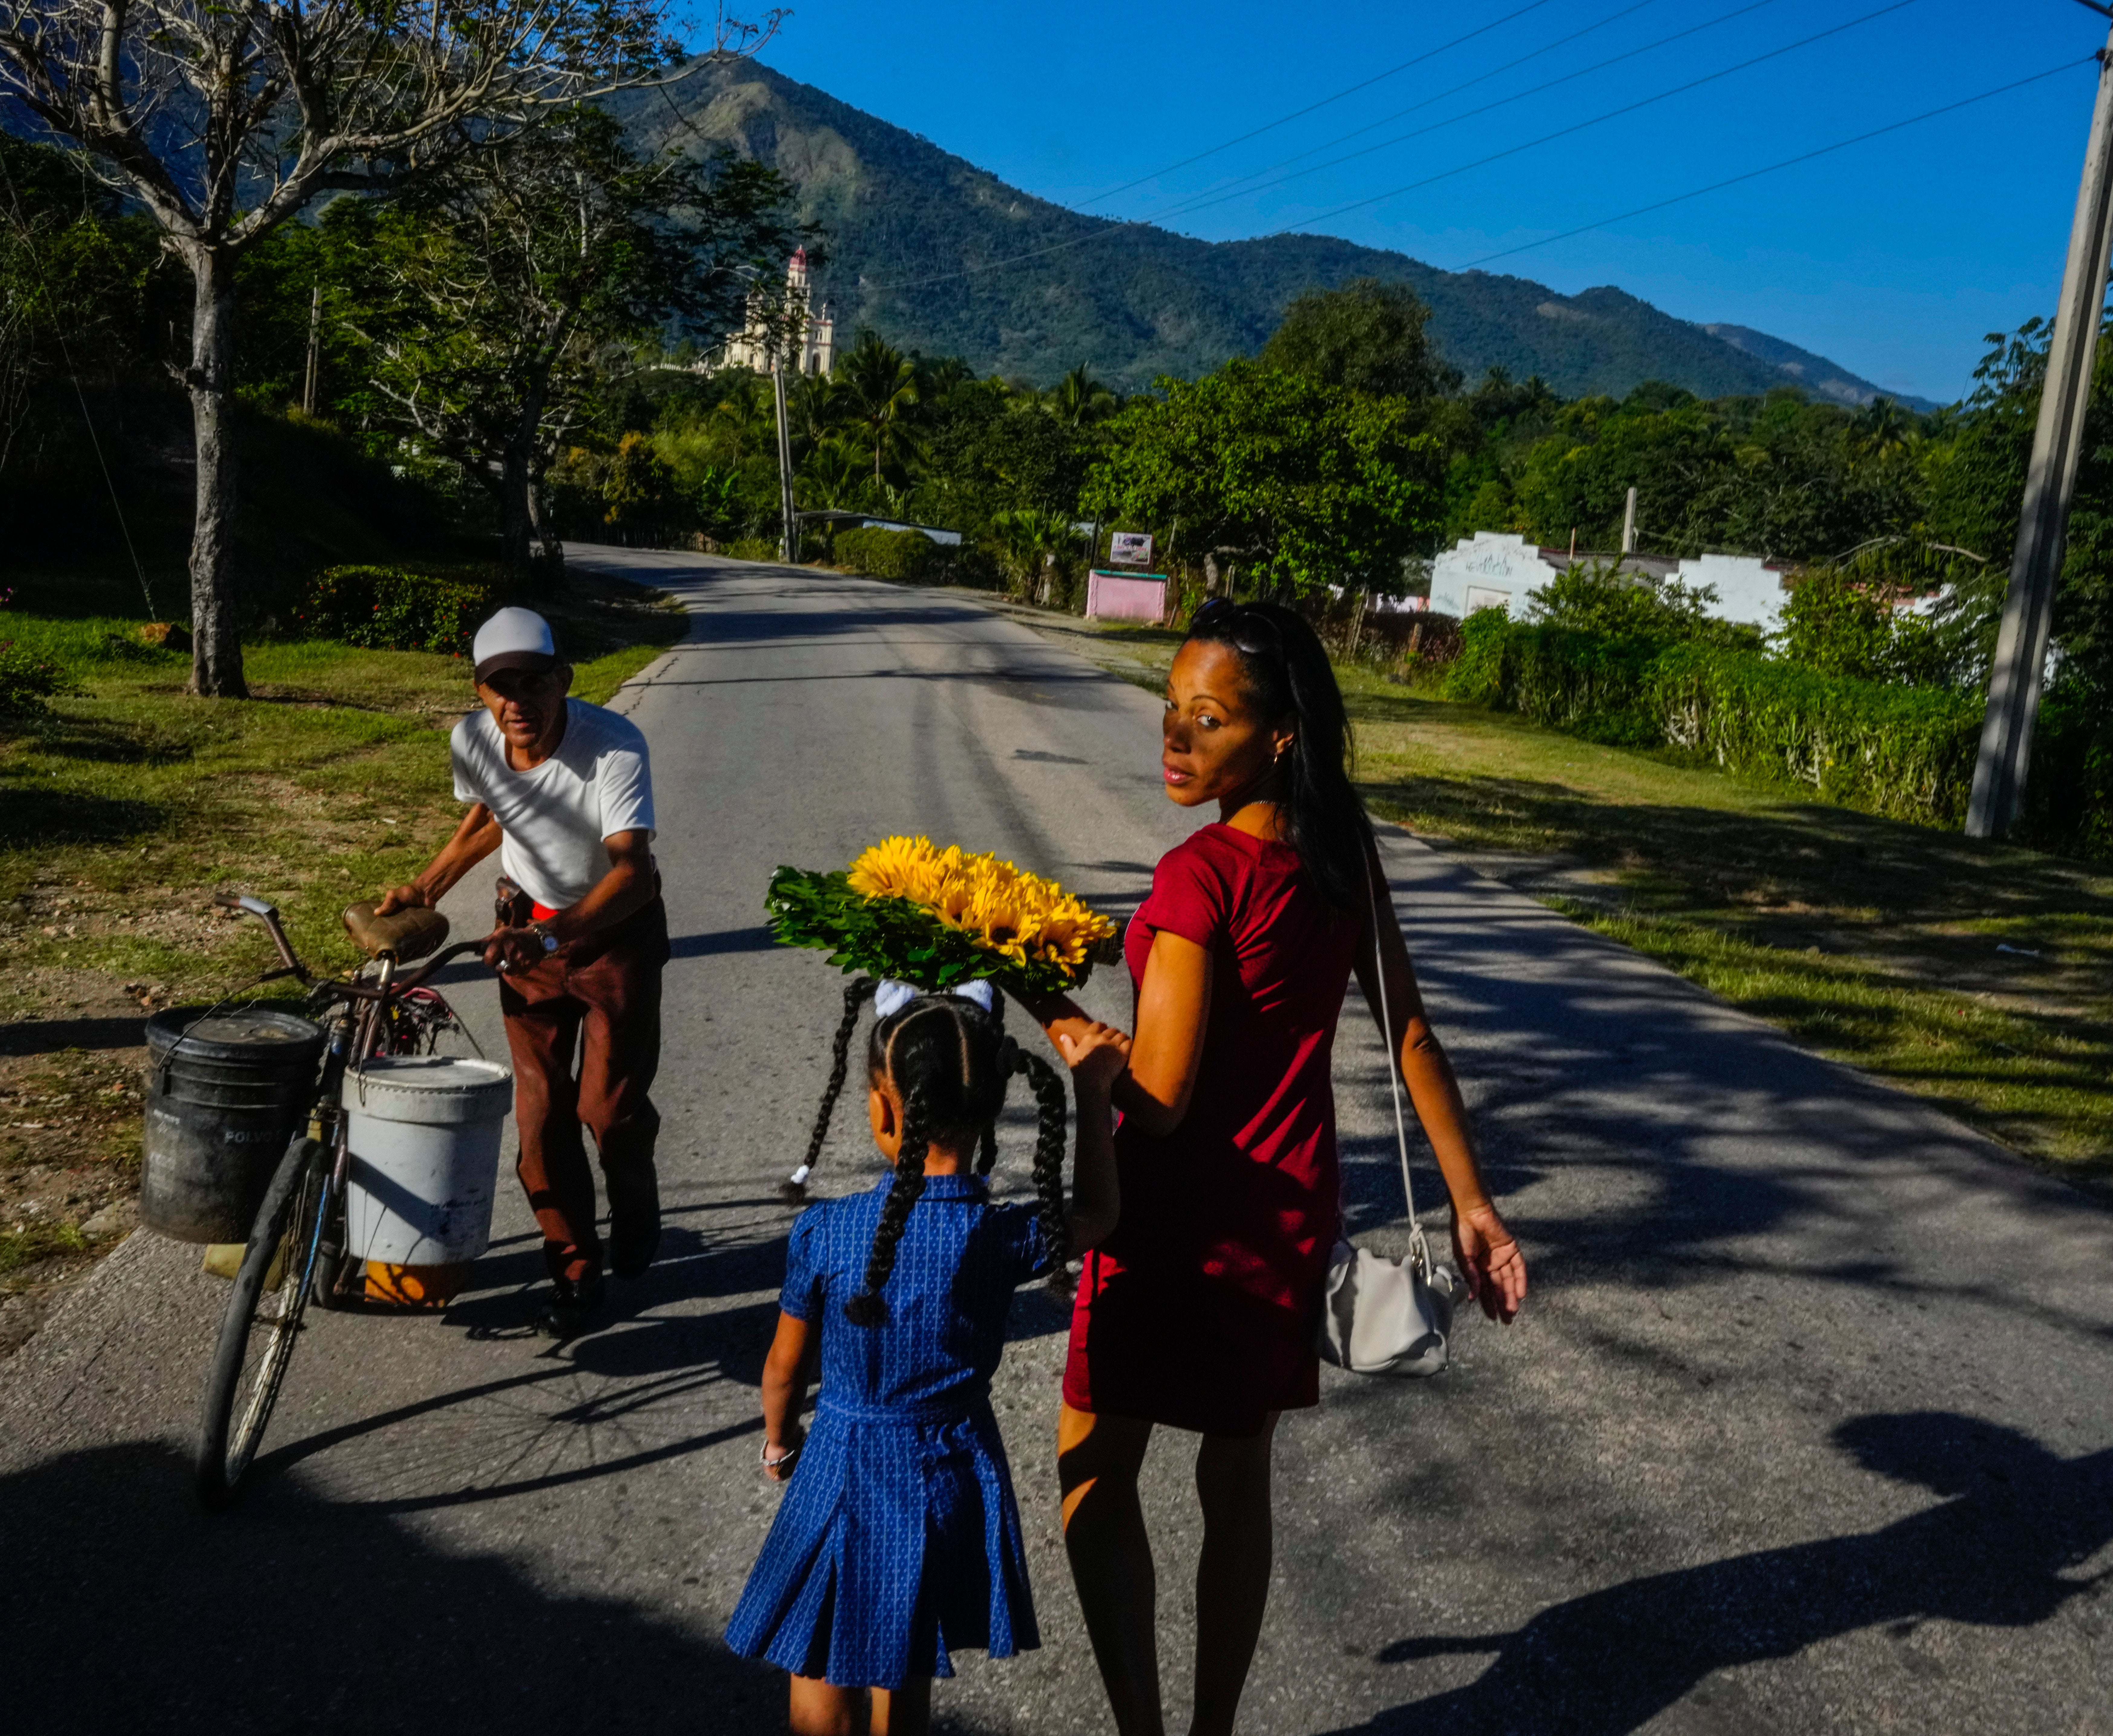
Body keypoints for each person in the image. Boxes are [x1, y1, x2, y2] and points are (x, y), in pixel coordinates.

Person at [1023, 597, 1531, 1736]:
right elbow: (1410, 1033)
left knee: (1095, 1474)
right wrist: (1474, 1204)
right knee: (1234, 1478)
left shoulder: (1202, 872)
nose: (1175, 738)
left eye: (1207, 719)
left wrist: (1034, 994)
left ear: (1279, 735)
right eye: (1169, 710)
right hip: (1286, 1212)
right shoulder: (1341, 850)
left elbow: (1151, 1101)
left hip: (1169, 1221)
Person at [726, 986, 1129, 1736]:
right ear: (989, 1111)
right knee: (907, 1658)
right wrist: (1093, 1088)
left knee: (817, 1661)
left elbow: (783, 1370)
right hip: (945, 1471)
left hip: (840, 1466)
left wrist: (780, 1444)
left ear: (884, 1109)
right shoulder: (1006, 1237)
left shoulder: (827, 1232)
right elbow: (1100, 1215)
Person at [376, 606, 668, 1336]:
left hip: (612, 937)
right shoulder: (475, 740)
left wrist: (554, 935)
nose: (517, 701)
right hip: (525, 937)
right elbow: (491, 816)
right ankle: (574, 1271)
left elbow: (636, 873)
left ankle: (634, 1195)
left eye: (532, 682)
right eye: (498, 685)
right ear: (479, 692)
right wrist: (426, 887)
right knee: (540, 1122)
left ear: (563, 679)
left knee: (608, 1112)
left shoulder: (614, 747)